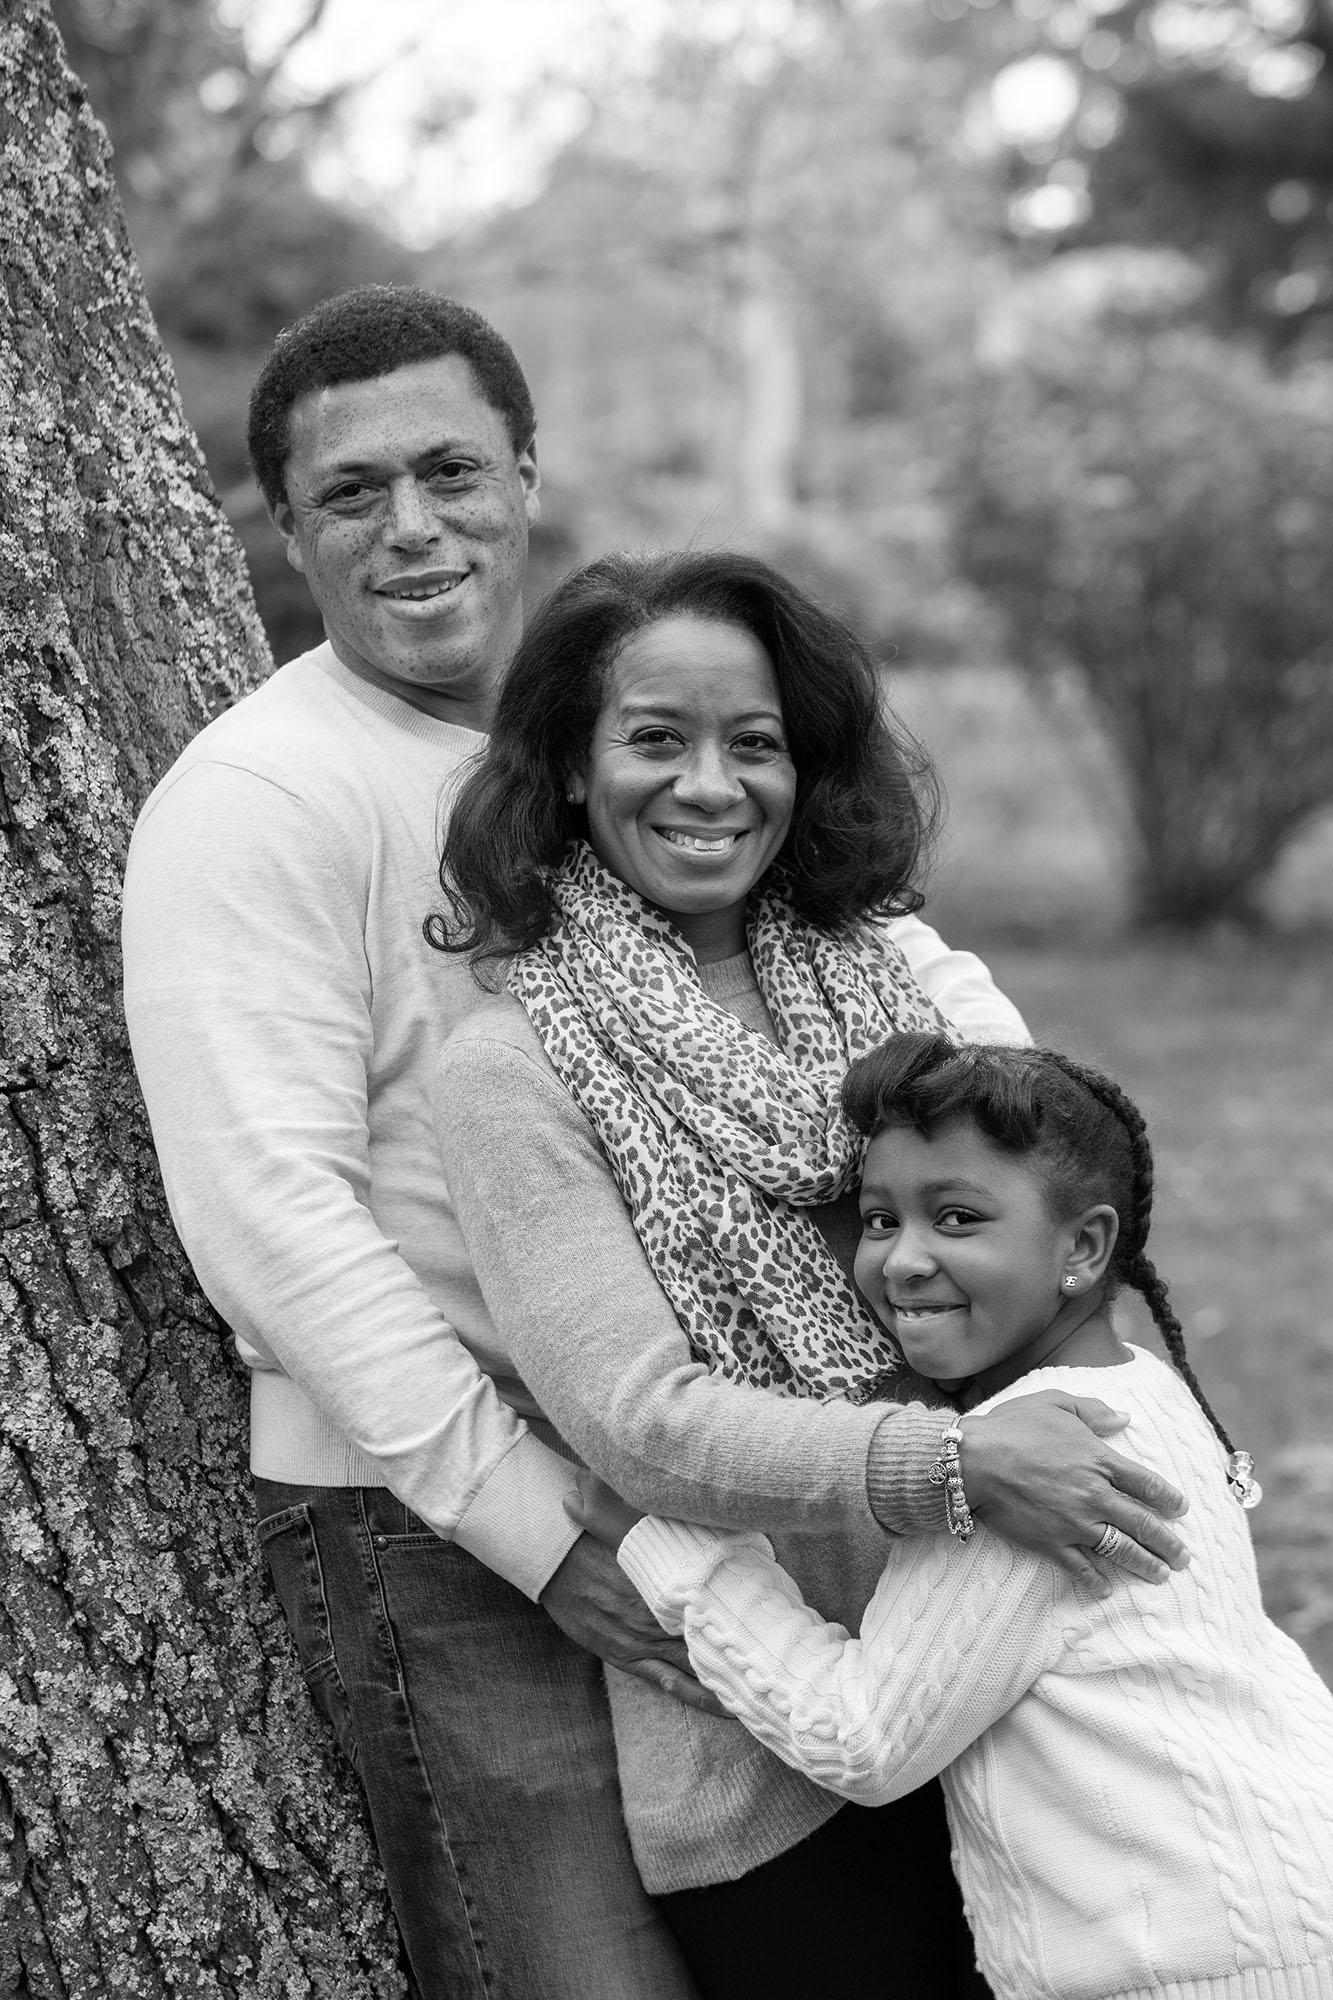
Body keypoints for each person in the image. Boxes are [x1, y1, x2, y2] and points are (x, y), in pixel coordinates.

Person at [429, 549, 1195, 1998]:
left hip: (1014, 1691)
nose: (710, 785)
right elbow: (637, 1420)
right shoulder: (511, 1069)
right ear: (571, 769)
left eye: (755, 743)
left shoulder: (896, 989)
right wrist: (949, 1466)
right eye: (656, 738)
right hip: (774, 1764)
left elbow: (1057, 1261)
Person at [121, 285, 709, 2000]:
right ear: (288, 528)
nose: (412, 528)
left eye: (449, 471)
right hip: (438, 1526)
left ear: (524, 472)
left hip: (687, 1469)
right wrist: (538, 1533)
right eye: (352, 492)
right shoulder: (259, 802)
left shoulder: (592, 758)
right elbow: (270, 1219)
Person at [574, 1033, 1333, 2000]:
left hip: (1186, 1965)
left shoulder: (1040, 1461)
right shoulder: (1138, 1385)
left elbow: (860, 1736)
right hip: (1258, 1910)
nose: (901, 1260)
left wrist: (673, 1543)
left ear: (1082, 1248)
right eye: (878, 1219)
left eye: (958, 1218)